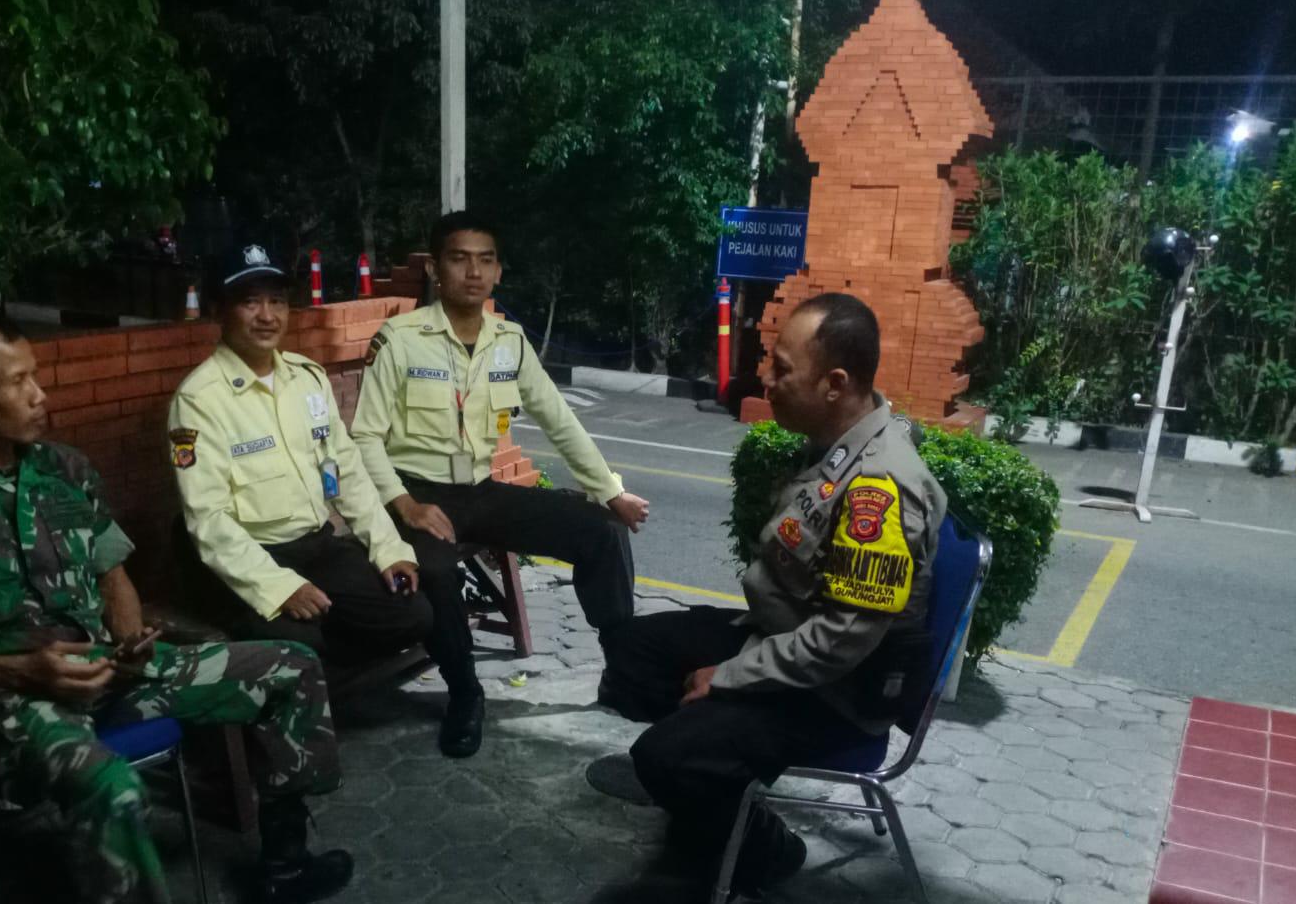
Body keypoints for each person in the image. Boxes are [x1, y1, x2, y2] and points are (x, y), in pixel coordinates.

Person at [0, 311, 352, 904]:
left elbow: (112, 573)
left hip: (105, 673)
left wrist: (130, 639)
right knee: (111, 788)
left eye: (36, 376)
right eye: (18, 382)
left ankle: (286, 865)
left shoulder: (66, 470)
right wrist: (20, 671)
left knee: (291, 666)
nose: (39, 395)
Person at [598, 293, 945, 898]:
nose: (767, 378)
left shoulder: (879, 486)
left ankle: (765, 848)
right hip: (784, 642)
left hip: (837, 692)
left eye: (782, 368)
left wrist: (730, 676)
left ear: (835, 384)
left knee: (663, 757)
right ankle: (713, 788)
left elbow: (840, 641)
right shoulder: (838, 442)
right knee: (630, 652)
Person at [351, 211, 652, 757]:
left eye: (485, 260)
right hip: (419, 494)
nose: (473, 272)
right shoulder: (401, 339)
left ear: (498, 272)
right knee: (435, 569)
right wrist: (406, 505)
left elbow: (558, 419)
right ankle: (465, 692)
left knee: (602, 531)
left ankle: (623, 670)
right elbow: (365, 437)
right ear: (436, 269)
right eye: (459, 259)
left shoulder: (509, 341)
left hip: (481, 491)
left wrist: (611, 492)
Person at [168, 245, 467, 747]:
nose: (267, 316)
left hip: (316, 547)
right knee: (301, 641)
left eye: (276, 301)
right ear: (220, 311)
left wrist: (388, 549)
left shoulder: (306, 379)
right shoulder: (200, 400)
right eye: (250, 302)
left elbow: (346, 472)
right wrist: (278, 587)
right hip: (252, 558)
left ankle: (314, 680)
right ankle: (293, 700)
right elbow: (208, 521)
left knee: (411, 614)